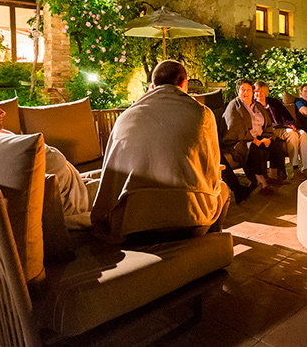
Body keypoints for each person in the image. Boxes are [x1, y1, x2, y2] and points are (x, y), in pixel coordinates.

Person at [91, 60, 229, 244]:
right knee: (224, 189)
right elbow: (210, 173)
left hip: (133, 228)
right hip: (187, 225)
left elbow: (110, 174)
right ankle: (207, 249)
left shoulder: (126, 117)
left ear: (152, 86)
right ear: (183, 84)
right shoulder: (202, 114)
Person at [0, 86, 91, 218]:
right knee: (113, 186)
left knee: (107, 176)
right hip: (67, 202)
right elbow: (52, 163)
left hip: (70, 187)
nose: (2, 112)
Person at [221, 79, 287, 196]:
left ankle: (273, 175)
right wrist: (253, 139)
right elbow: (234, 129)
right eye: (243, 90)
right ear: (238, 92)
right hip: (241, 141)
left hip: (261, 137)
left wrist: (267, 138)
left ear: (252, 92)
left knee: (277, 143)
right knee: (253, 148)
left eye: (249, 90)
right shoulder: (233, 106)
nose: (246, 92)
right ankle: (261, 182)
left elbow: (268, 125)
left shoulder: (258, 106)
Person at [253, 81, 307, 181]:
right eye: (257, 91)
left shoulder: (273, 102)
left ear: (266, 92)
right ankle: (295, 168)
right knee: (291, 134)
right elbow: (264, 125)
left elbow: (287, 116)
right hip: (271, 130)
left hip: (284, 128)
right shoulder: (254, 106)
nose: (259, 94)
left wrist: (291, 124)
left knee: (302, 133)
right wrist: (286, 127)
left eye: (262, 91)